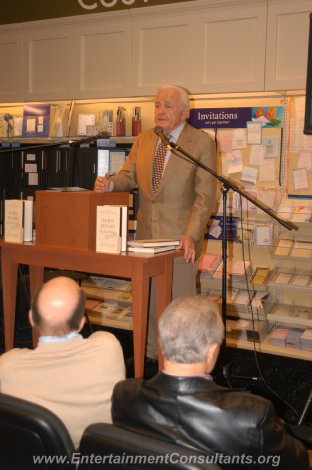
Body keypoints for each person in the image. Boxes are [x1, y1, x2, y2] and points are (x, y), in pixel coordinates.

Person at [112, 296, 310, 469]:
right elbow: (297, 461)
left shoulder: (124, 396)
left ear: (162, 344)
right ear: (213, 352)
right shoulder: (250, 415)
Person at [94, 84, 217, 362]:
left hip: (179, 242)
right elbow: (129, 176)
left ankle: (181, 367)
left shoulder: (201, 143)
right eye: (157, 105)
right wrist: (111, 183)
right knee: (147, 306)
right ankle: (150, 362)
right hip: (146, 241)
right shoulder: (144, 139)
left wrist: (191, 234)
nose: (160, 111)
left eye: (168, 106)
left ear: (185, 111)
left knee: (181, 311)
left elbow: (204, 197)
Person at [0, 276, 125, 448]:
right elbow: (99, 337)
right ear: (81, 323)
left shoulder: (6, 367)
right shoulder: (108, 349)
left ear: (31, 318)